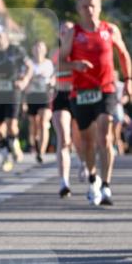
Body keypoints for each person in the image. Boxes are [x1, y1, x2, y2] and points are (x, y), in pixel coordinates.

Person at [60, 0, 132, 206]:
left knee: (105, 134)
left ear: (99, 7)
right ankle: (93, 177)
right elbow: (61, 60)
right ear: (78, 9)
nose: (89, 10)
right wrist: (75, 64)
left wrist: (128, 80)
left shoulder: (110, 30)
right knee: (87, 142)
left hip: (106, 89)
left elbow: (123, 54)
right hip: (81, 92)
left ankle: (107, 185)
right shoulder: (74, 33)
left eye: (92, 5)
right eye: (84, 6)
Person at [0, 24, 33, 171]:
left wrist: (24, 80)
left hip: (13, 91)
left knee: (12, 125)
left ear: (6, 36)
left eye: (0, 35)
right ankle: (5, 158)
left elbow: (29, 66)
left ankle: (14, 142)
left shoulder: (16, 51)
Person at [51, 25, 84, 198]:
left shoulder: (80, 52)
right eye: (62, 31)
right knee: (64, 138)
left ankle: (83, 162)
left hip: (78, 96)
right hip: (60, 96)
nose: (65, 34)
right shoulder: (55, 54)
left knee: (78, 138)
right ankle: (64, 182)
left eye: (68, 31)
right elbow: (49, 72)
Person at [25, 39, 55, 164]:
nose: (38, 50)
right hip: (32, 95)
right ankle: (35, 143)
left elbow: (53, 77)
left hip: (45, 95)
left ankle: (41, 152)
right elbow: (24, 78)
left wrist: (52, 82)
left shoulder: (49, 63)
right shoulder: (29, 63)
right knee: (33, 124)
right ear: (32, 50)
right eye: (36, 48)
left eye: (41, 48)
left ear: (45, 51)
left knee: (43, 122)